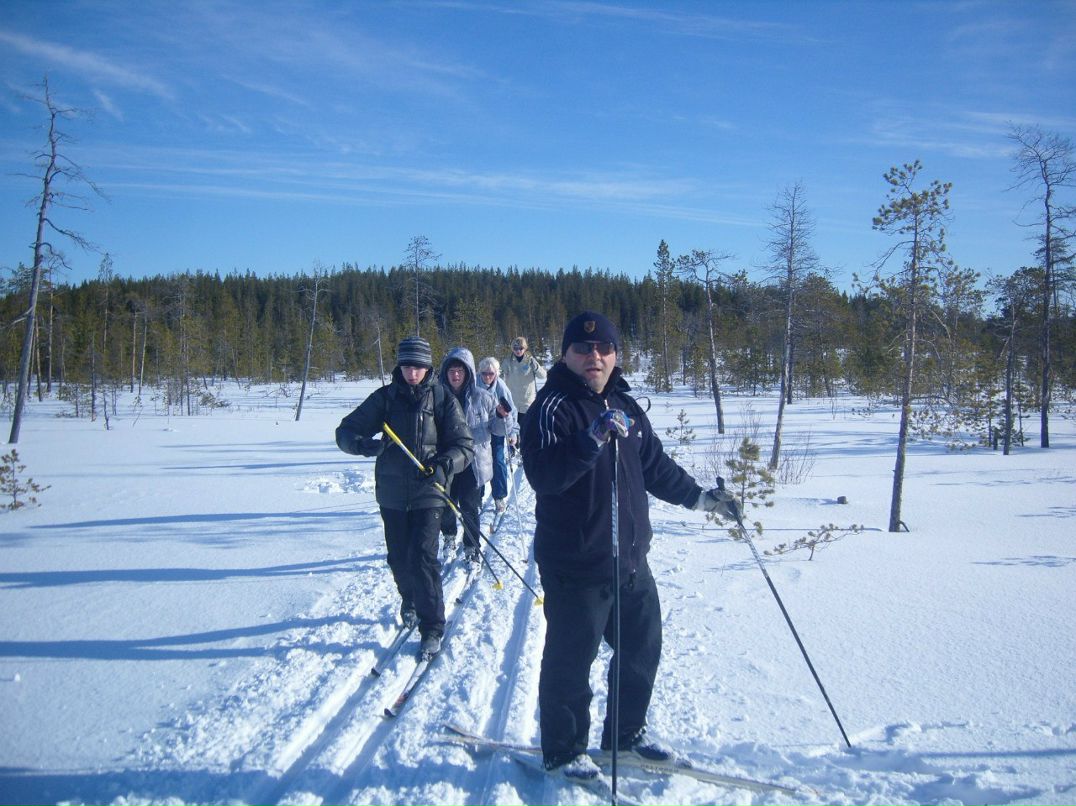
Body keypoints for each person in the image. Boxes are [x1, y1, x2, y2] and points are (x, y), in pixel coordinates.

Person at [521, 311, 739, 780]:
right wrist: (590, 440)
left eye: (602, 350)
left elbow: (656, 467)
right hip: (576, 564)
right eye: (582, 349)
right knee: (570, 662)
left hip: (631, 562)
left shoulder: (627, 405)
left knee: (641, 650)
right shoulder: (550, 407)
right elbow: (543, 475)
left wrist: (702, 500)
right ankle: (562, 750)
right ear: (566, 355)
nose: (593, 357)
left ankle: (625, 736)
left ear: (616, 355)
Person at [335, 336, 474, 658]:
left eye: (420, 367)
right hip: (393, 493)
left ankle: (432, 627)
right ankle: (409, 599)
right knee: (399, 558)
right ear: (400, 366)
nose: (413, 373)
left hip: (429, 493)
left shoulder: (442, 399)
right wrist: (361, 444)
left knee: (424, 558)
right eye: (408, 366)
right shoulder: (385, 398)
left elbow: (464, 446)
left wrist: (443, 464)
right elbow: (345, 431)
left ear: (428, 368)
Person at [437, 347, 498, 563]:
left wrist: (503, 419)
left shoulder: (484, 397)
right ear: (445, 372)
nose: (455, 375)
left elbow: (498, 429)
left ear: (468, 373)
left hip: (473, 463)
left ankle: (471, 545)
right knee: (446, 505)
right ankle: (450, 537)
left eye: (460, 371)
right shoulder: (437, 397)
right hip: (447, 461)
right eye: (451, 371)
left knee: (470, 507)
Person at [477, 356, 519, 512]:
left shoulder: (501, 387)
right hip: (479, 429)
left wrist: (513, 431)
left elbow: (511, 410)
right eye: (484, 373)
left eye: (491, 374)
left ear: (496, 374)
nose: (487, 377)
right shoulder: (473, 385)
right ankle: (477, 496)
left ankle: (499, 496)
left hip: (497, 429)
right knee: (478, 463)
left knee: (498, 461)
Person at [502, 336, 546, 443]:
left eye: (521, 348)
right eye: (516, 348)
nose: (518, 351)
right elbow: (500, 377)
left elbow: (543, 376)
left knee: (526, 429)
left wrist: (536, 367)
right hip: (513, 402)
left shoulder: (530, 361)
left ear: (525, 348)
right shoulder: (508, 362)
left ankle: (526, 449)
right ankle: (514, 449)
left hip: (527, 402)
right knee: (512, 430)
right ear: (512, 348)